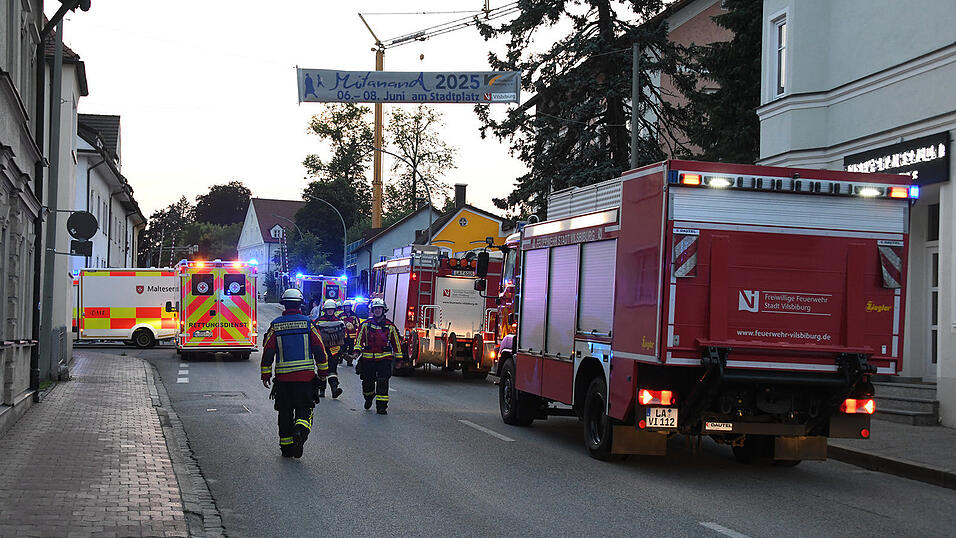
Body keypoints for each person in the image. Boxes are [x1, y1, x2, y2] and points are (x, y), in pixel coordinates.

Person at [260, 288, 329, 458]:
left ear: (284, 304)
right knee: (304, 409)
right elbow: (319, 350)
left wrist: (266, 374)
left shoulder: (276, 325)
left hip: (283, 381)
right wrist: (323, 372)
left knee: (284, 413)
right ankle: (300, 431)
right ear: (300, 304)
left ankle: (286, 448)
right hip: (305, 380)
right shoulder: (308, 324)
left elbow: (268, 352)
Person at [354, 298, 404, 415]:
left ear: (383, 310)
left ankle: (381, 407)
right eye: (375, 309)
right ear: (372, 310)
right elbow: (359, 339)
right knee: (367, 384)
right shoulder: (365, 325)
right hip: (368, 360)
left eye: (379, 309)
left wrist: (399, 359)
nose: (377, 310)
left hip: (384, 360)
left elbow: (396, 343)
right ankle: (369, 397)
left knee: (383, 382)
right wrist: (356, 351)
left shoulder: (390, 326)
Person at [314, 299, 345, 399]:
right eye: (328, 309)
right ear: (325, 310)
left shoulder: (338, 321)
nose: (330, 311)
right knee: (322, 369)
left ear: (334, 310)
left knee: (332, 370)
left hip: (334, 350)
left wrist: (342, 350)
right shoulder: (319, 321)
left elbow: (342, 335)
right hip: (322, 350)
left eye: (332, 309)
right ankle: (322, 390)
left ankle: (334, 390)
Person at [337, 300, 361, 367]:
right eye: (346, 307)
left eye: (348, 307)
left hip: (352, 336)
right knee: (342, 348)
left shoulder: (354, 316)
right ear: (344, 307)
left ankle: (349, 361)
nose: (347, 308)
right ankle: (340, 359)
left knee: (351, 349)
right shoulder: (341, 315)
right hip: (343, 335)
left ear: (350, 307)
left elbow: (358, 324)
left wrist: (353, 326)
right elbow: (338, 324)